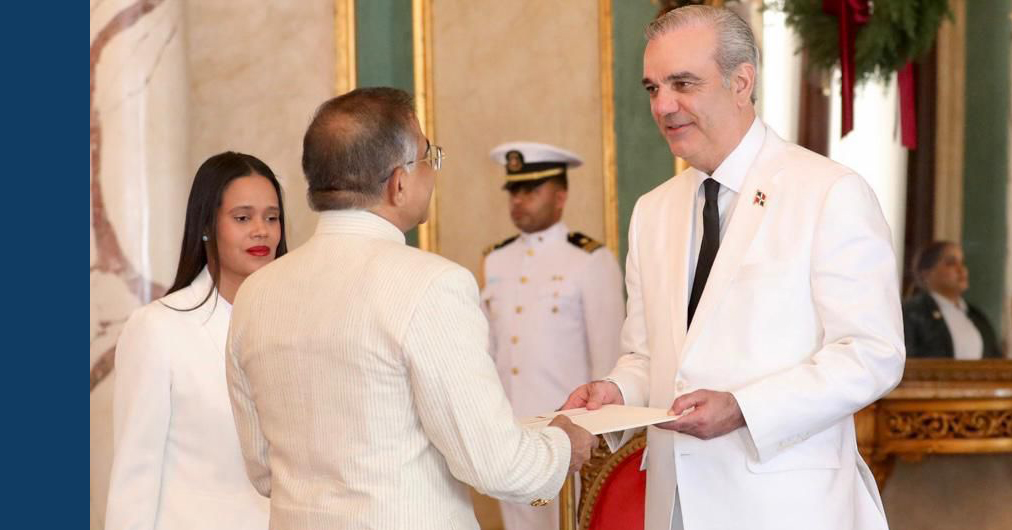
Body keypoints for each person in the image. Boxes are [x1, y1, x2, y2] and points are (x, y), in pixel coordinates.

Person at [561, 6, 905, 529]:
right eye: (653, 88)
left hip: (788, 509)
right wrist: (617, 391)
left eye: (683, 84)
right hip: (674, 506)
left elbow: (872, 354)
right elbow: (648, 354)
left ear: (741, 82)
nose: (663, 105)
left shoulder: (829, 192)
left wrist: (744, 408)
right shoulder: (653, 210)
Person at [225, 87, 597, 530]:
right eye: (429, 157)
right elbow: (496, 465)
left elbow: (263, 469)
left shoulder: (256, 292)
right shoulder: (432, 285)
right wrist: (563, 445)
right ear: (398, 183)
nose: (433, 172)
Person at [106, 151, 287, 530]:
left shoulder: (296, 324)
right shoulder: (158, 327)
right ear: (206, 225)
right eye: (243, 218)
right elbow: (134, 479)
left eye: (272, 218)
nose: (261, 230)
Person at [481, 142, 625, 530]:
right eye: (514, 190)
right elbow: (489, 353)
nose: (518, 200)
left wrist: (601, 442)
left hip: (571, 437)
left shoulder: (589, 260)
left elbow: (609, 360)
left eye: (531, 190)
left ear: (560, 196)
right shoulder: (496, 260)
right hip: (512, 435)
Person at [903, 240, 1002, 359]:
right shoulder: (911, 313)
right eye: (951, 263)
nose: (961, 270)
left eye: (962, 262)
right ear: (926, 274)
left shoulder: (977, 316)